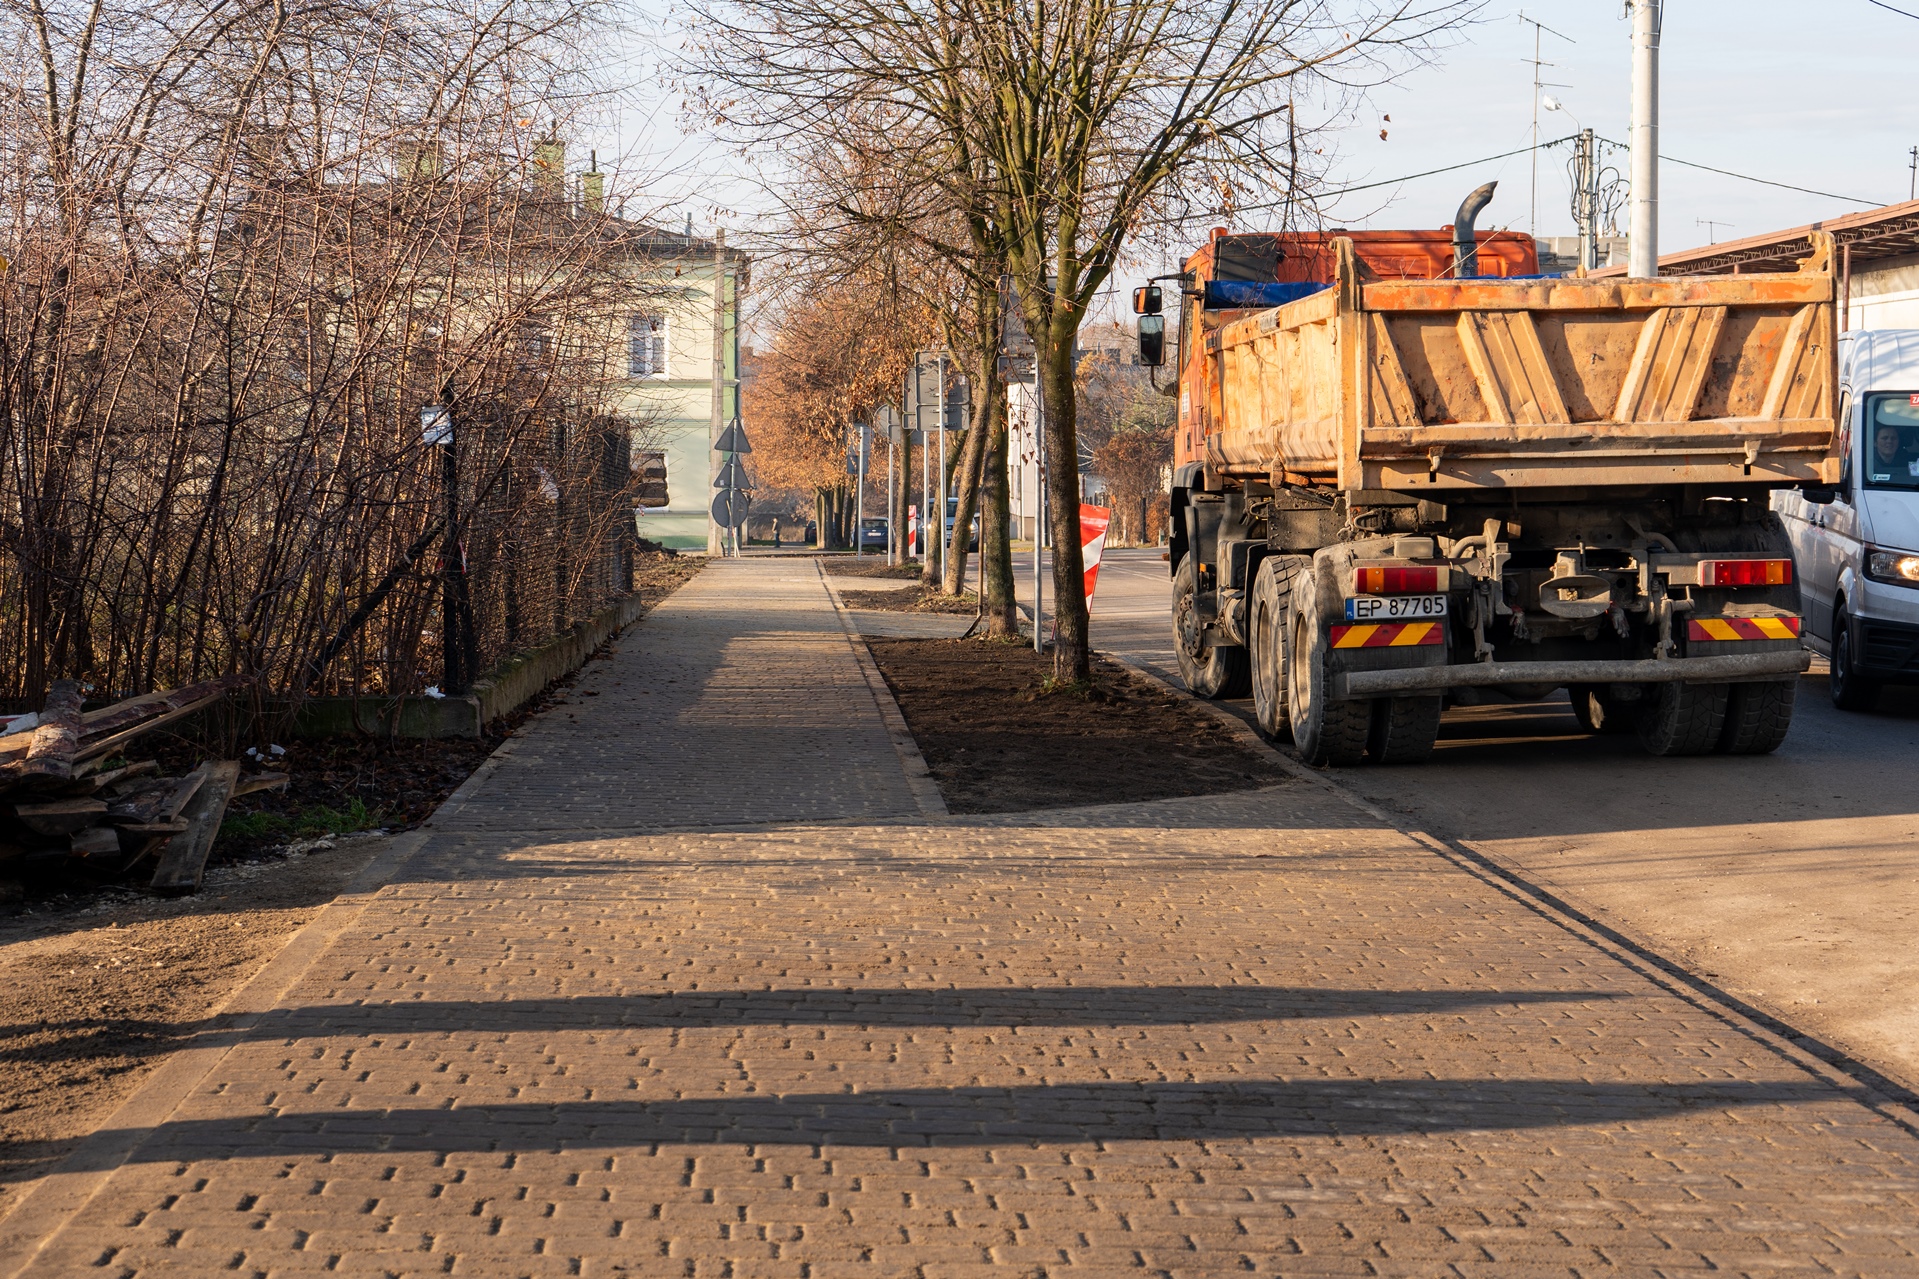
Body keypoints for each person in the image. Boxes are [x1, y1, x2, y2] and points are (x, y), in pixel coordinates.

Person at [1868, 421, 1918, 485]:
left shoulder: (1909, 463)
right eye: (1884, 438)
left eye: (1893, 438)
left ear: (1898, 442)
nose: (1889, 441)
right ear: (1875, 443)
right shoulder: (1867, 463)